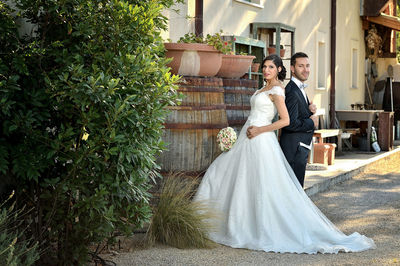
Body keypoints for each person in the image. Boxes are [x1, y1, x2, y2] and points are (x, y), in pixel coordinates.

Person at [193, 54, 375, 254]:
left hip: (261, 140)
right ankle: (228, 223)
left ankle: (258, 228)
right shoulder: (263, 88)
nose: (266, 70)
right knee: (226, 174)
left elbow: (286, 120)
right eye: (264, 67)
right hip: (247, 139)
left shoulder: (278, 90)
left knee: (262, 184)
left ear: (279, 69)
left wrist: (260, 130)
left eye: (271, 67)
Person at [280, 52, 318, 187]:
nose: (305, 69)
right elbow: (290, 123)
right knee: (293, 190)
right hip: (293, 149)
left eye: (307, 66)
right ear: (292, 68)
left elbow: (297, 113)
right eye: (301, 66)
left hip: (299, 148)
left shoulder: (298, 87)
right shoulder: (291, 90)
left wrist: (309, 110)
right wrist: (311, 122)